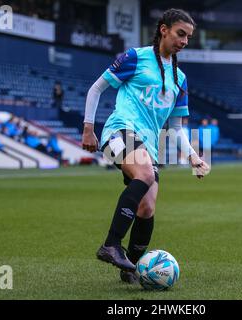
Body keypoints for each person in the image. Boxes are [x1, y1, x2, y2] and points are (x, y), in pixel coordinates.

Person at [81, 8, 209, 284]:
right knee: (146, 175)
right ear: (164, 29)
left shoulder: (180, 79)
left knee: (147, 208)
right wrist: (88, 129)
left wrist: (194, 157)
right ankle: (111, 244)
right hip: (119, 131)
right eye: (180, 34)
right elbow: (96, 89)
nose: (185, 41)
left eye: (188, 37)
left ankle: (132, 268)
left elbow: (175, 128)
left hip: (147, 146)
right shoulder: (135, 58)